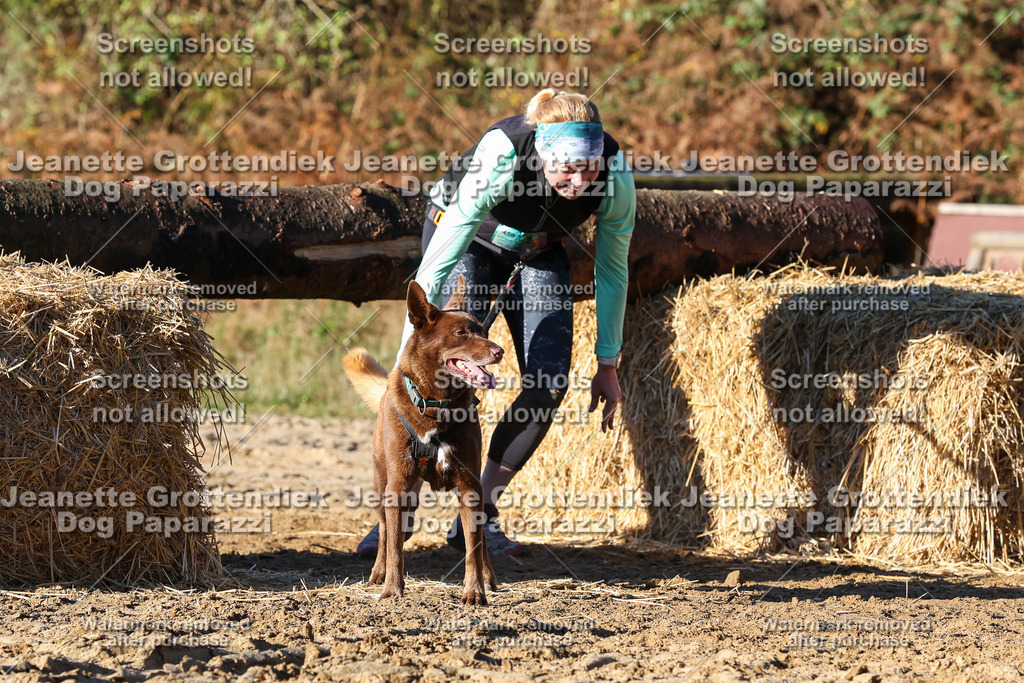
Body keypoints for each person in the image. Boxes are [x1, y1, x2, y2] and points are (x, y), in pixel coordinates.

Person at [357, 88, 636, 557]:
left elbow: (612, 268)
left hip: (539, 248)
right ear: (542, 151)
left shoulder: (614, 173)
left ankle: (479, 514)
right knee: (441, 379)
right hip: (468, 236)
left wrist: (608, 361)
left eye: (588, 166)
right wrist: (407, 359)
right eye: (566, 168)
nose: (580, 179)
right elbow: (439, 261)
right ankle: (395, 519)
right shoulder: (504, 153)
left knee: (547, 385)